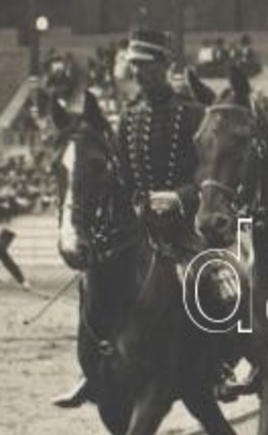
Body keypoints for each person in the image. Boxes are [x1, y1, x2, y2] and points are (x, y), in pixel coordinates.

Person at [52, 28, 244, 406]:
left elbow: (209, 175)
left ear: (165, 66)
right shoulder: (129, 117)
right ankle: (93, 367)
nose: (138, 73)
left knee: (210, 280)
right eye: (134, 66)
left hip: (189, 224)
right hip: (140, 226)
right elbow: (123, 175)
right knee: (94, 281)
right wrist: (132, 201)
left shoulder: (193, 115)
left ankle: (219, 365)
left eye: (145, 66)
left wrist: (178, 197)